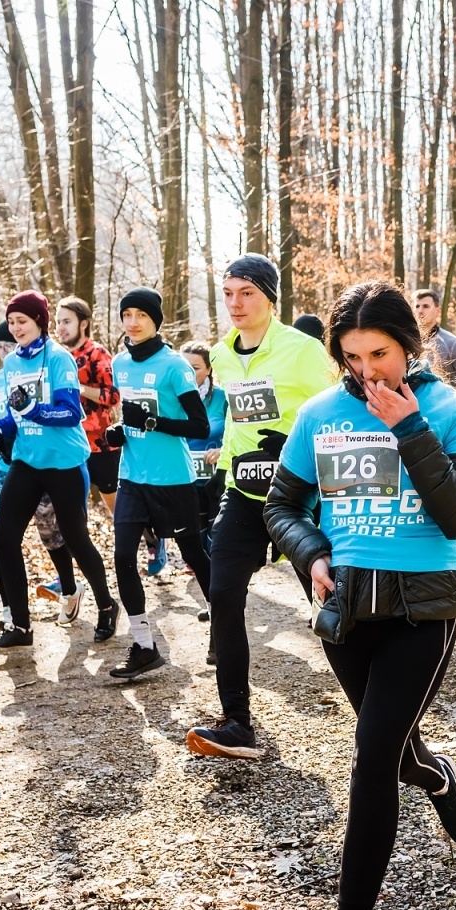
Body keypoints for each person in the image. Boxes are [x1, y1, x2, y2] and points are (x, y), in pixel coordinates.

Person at [265, 280, 456, 910]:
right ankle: (436, 774)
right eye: (354, 356)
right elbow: (282, 505)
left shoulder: (449, 411)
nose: (368, 371)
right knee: (391, 753)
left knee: (369, 756)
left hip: (422, 614)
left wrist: (410, 428)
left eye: (381, 353)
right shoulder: (320, 414)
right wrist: (311, 553)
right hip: (345, 616)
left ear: (409, 347)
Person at [187, 254, 337, 759]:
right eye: (228, 293)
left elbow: (337, 413)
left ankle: (380, 715)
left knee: (331, 605)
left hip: (300, 499)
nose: (235, 303)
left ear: (271, 297)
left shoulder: (304, 351)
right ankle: (236, 721)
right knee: (223, 593)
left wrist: (293, 446)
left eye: (246, 293)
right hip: (245, 496)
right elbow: (236, 422)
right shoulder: (221, 354)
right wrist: (225, 467)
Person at [0, 289, 120, 647]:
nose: (16, 329)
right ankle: (20, 625)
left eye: (22, 322)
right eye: (11, 322)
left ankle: (107, 606)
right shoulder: (12, 362)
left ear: (39, 322)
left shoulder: (59, 358)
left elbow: (70, 412)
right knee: (5, 540)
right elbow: (13, 412)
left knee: (75, 538)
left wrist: (32, 410)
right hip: (28, 461)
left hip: (64, 462)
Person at [106, 288, 213, 680]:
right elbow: (130, 417)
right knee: (121, 558)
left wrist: (151, 423)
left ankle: (221, 621)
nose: (132, 322)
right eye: (127, 314)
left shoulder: (175, 367)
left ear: (156, 320)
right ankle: (144, 644)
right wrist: (120, 431)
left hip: (173, 478)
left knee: (194, 555)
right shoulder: (120, 363)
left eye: (141, 315)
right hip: (132, 475)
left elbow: (198, 426)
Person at [55, 296, 121, 514]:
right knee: (72, 510)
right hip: (71, 443)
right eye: (58, 322)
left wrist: (78, 388)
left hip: (101, 445)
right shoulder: (58, 357)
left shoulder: (97, 353)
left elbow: (114, 396)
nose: (60, 328)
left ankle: (151, 542)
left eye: (66, 322)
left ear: (83, 324)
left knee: (119, 510)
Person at [181, 341, 226, 562]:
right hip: (184, 476)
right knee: (194, 533)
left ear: (209, 369)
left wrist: (222, 450)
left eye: (196, 368)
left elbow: (239, 431)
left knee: (217, 529)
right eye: (185, 367)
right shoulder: (173, 396)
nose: (189, 373)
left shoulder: (222, 397)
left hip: (216, 476)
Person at [411, 288, 456, 398]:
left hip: (443, 411)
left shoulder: (452, 343)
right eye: (417, 306)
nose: (420, 311)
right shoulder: (406, 342)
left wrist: (450, 398)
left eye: (426, 306)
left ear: (437, 311)